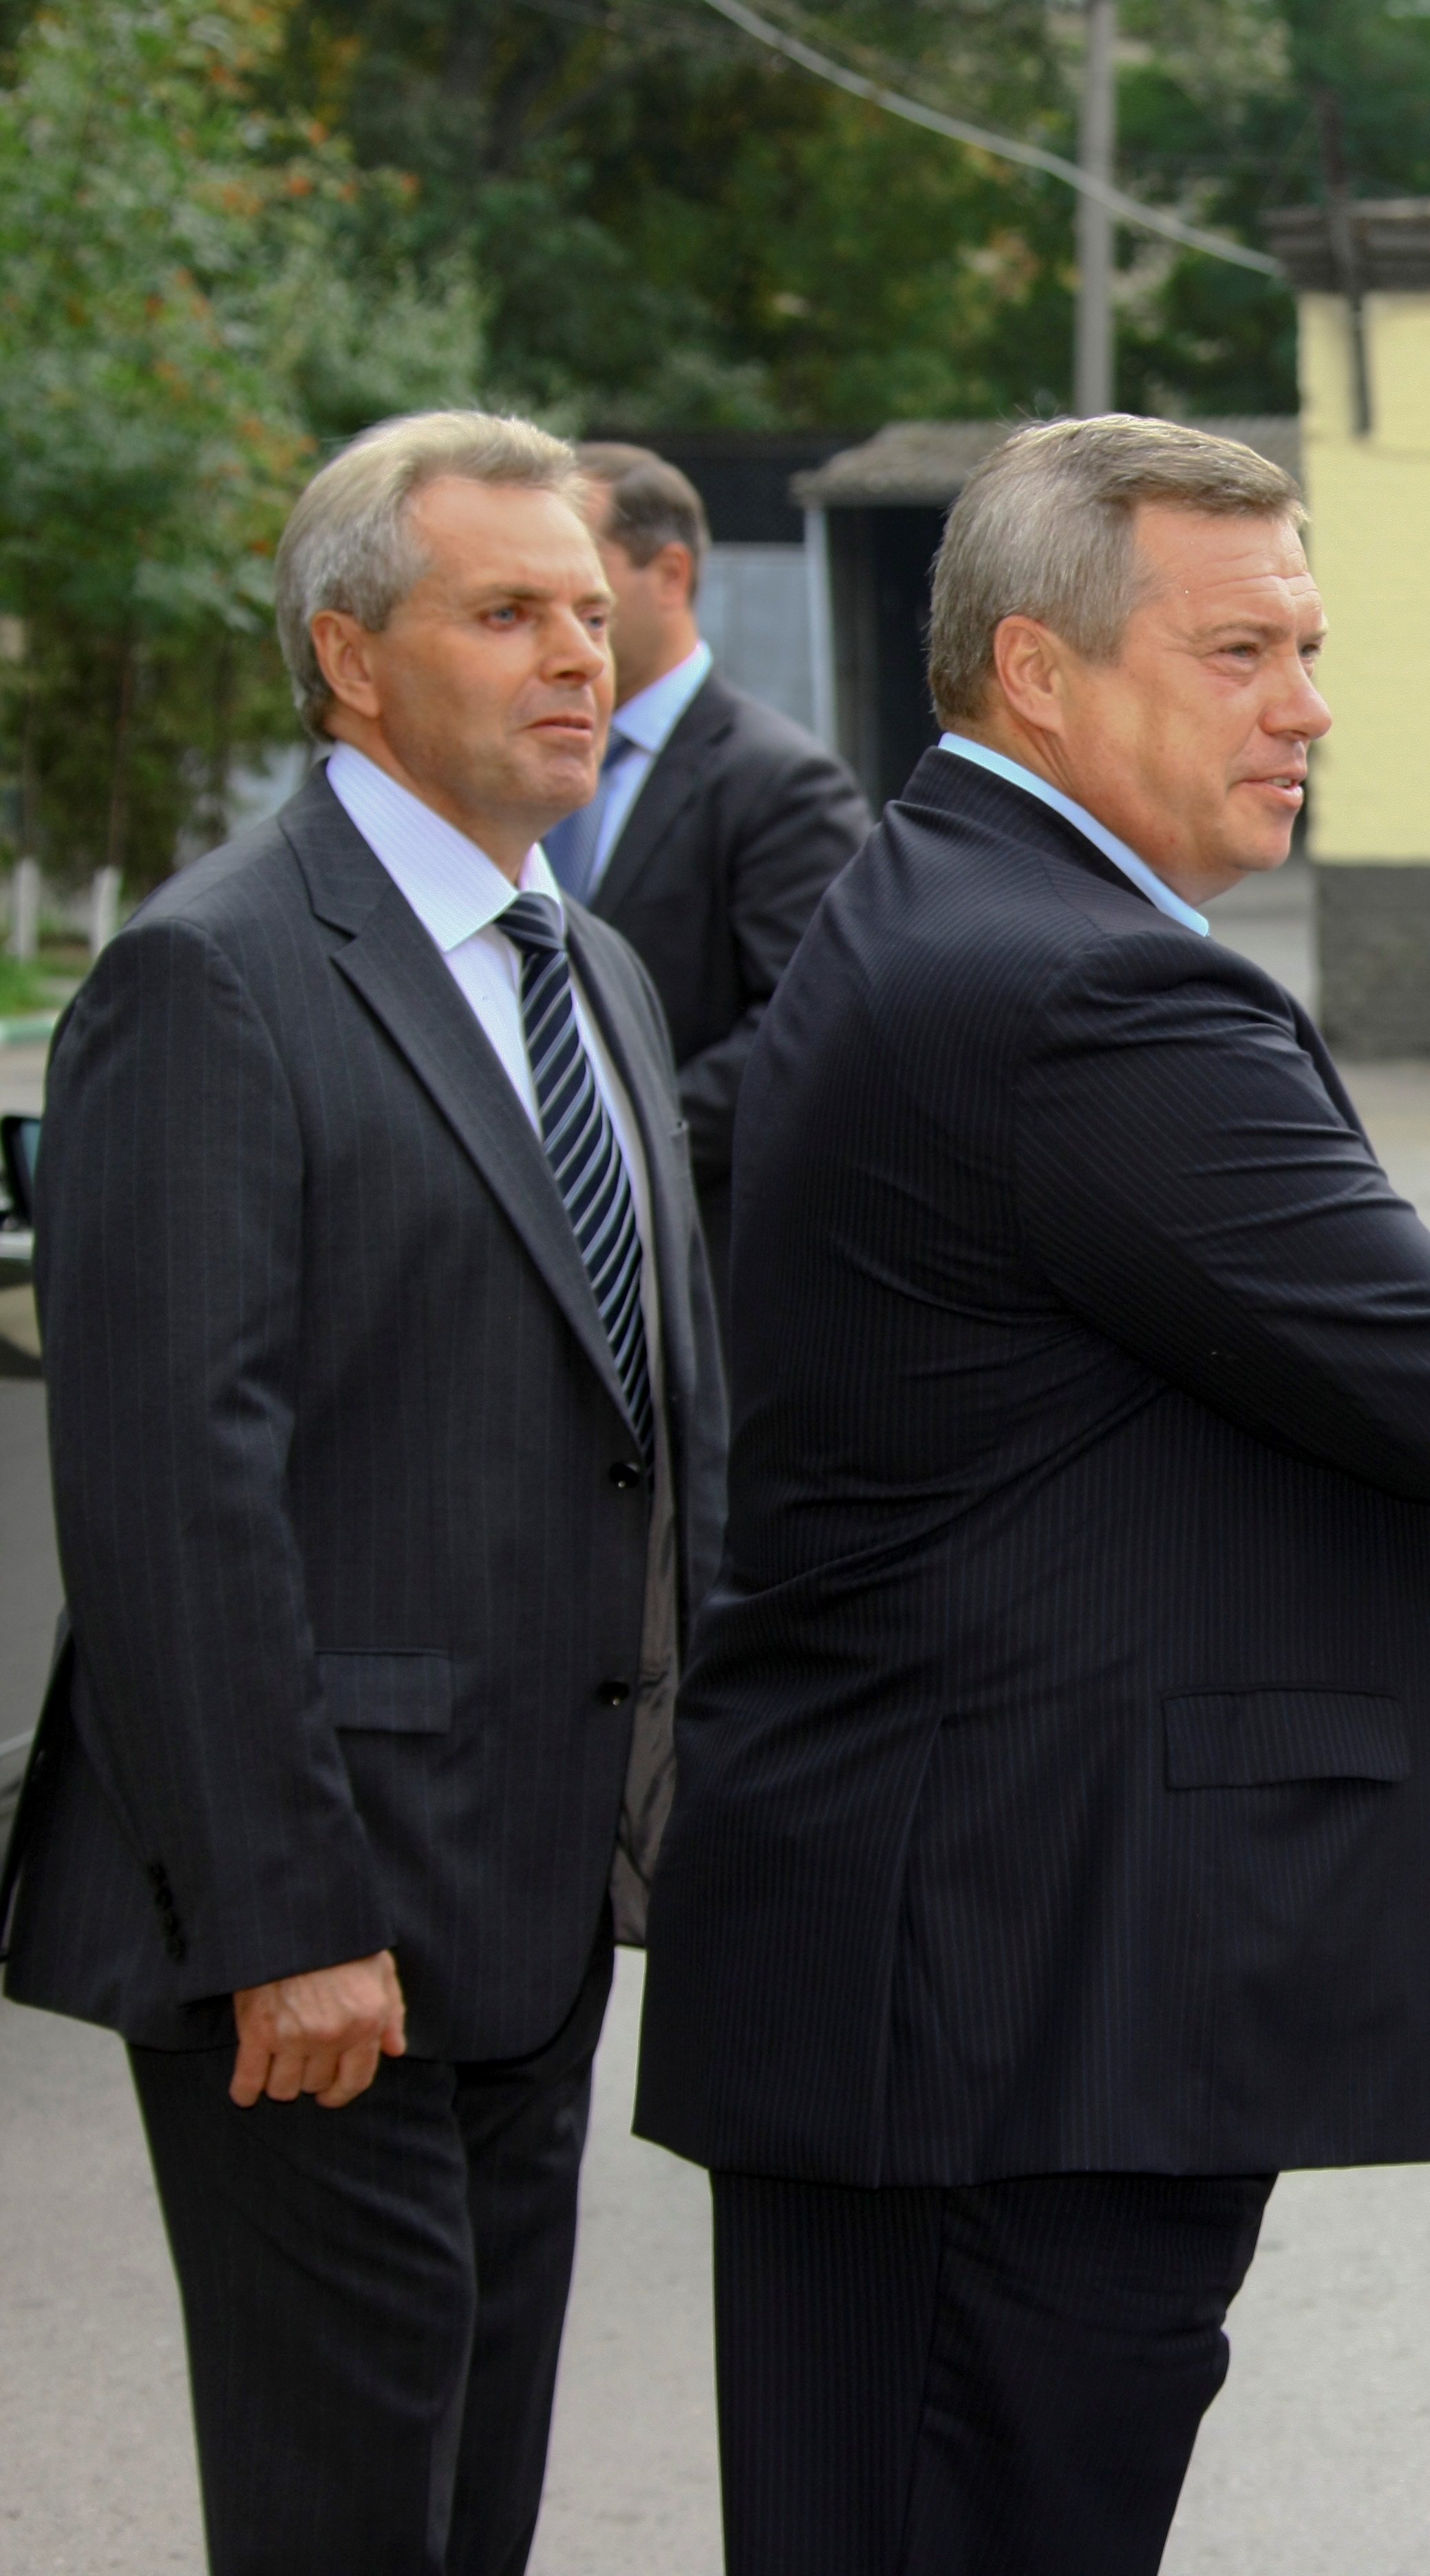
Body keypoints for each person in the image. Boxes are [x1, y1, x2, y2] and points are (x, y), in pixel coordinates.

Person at [632, 416, 1430, 2575]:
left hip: (943, 1970)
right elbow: (1410, 1339)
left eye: (1314, 647)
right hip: (1005, 1992)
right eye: (1242, 649)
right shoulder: (1084, 985)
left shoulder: (946, 908)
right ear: (1040, 677)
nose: (1309, 707)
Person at [0, 412, 725, 2576]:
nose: (575, 656)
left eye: (589, 612)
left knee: (468, 2500)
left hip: (531, 1906)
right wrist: (286, 1918)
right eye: (504, 613)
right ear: (347, 659)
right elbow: (168, 1488)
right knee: (349, 2517)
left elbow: (646, 1430)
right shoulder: (211, 975)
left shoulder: (587, 969)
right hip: (316, 1938)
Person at [559, 442, 869, 1285]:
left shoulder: (779, 781)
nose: (561, 618)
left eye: (583, 587)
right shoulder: (534, 770)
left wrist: (606, 1150)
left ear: (669, 575)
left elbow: (809, 1027)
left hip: (697, 1260)